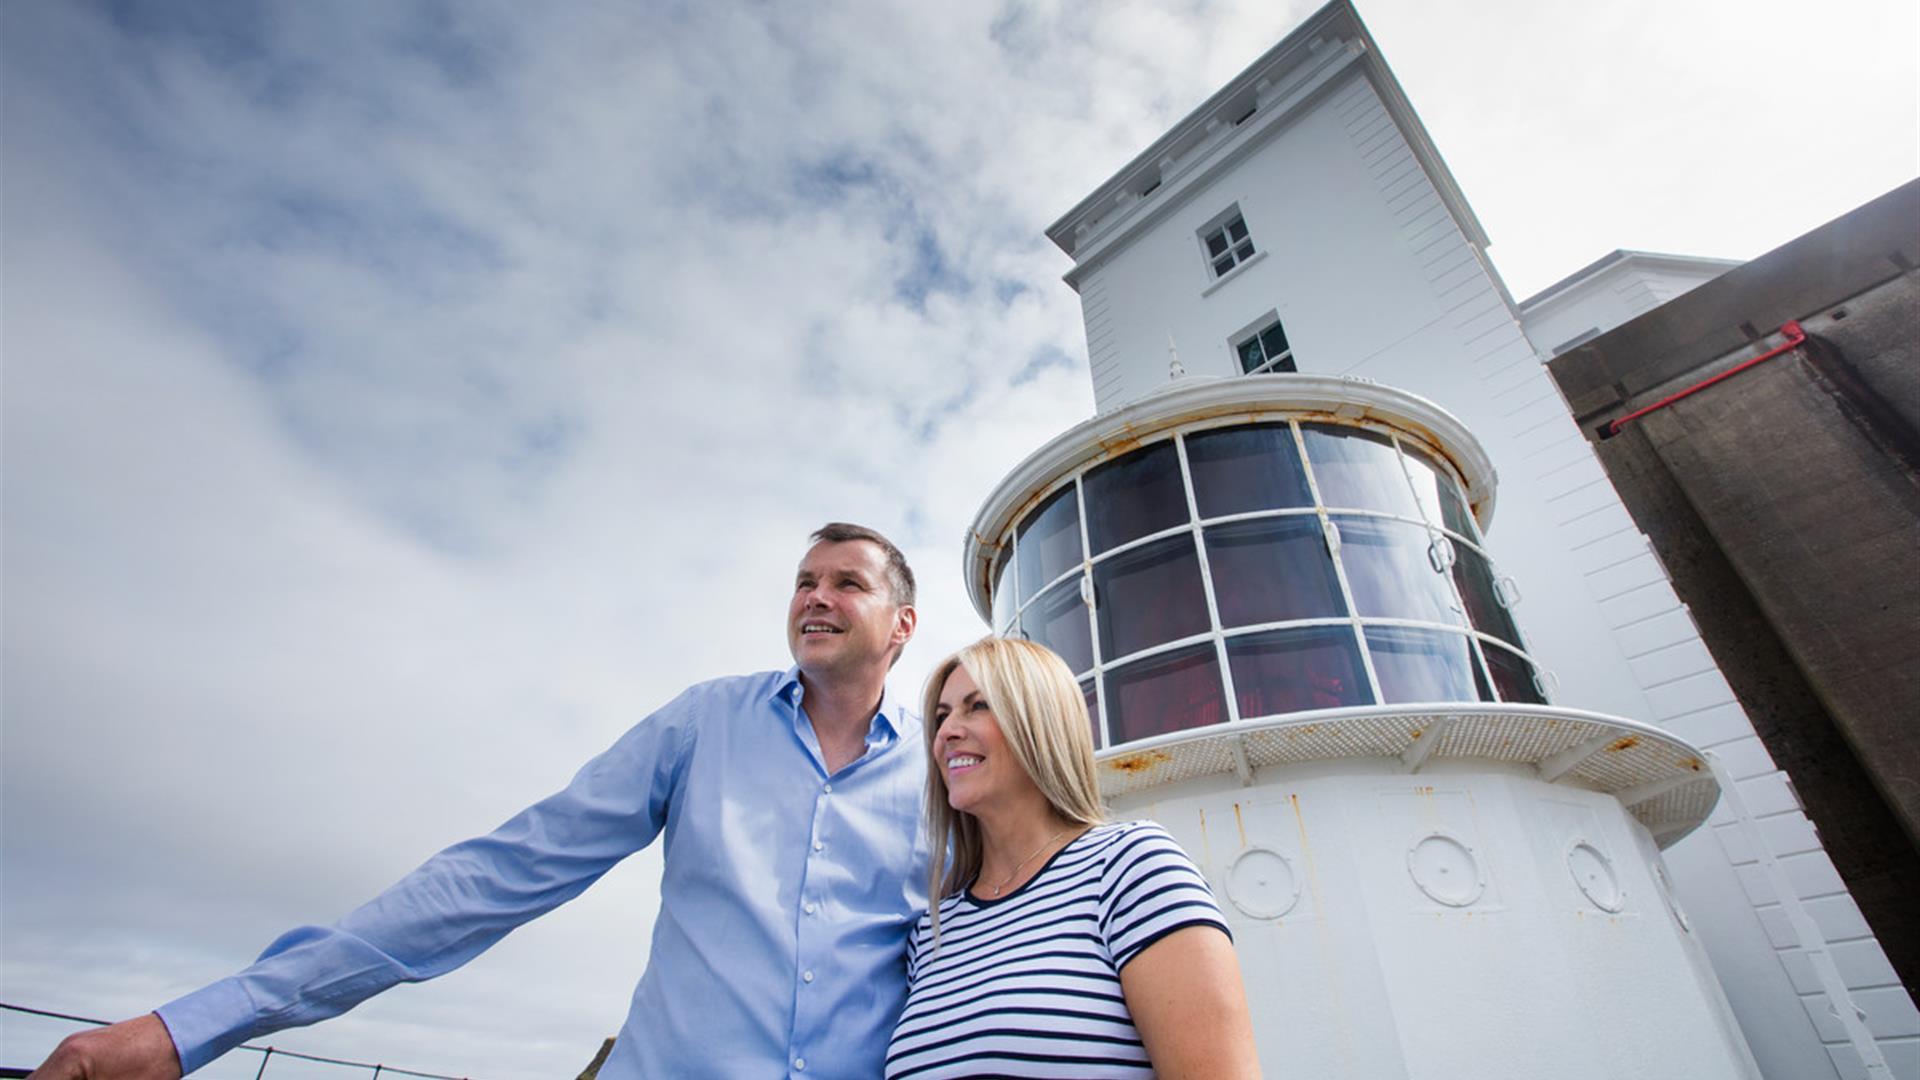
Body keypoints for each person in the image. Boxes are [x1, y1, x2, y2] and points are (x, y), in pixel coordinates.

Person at [32, 523, 928, 1080]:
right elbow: (503, 874)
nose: (815, 596)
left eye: (846, 582)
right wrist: (199, 1025)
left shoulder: (945, 781)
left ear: (902, 624)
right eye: (805, 581)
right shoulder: (704, 724)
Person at [885, 637, 1260, 1080]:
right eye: (942, 715)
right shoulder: (931, 930)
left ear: (1041, 723)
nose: (946, 731)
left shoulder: (1130, 869)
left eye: (978, 705)